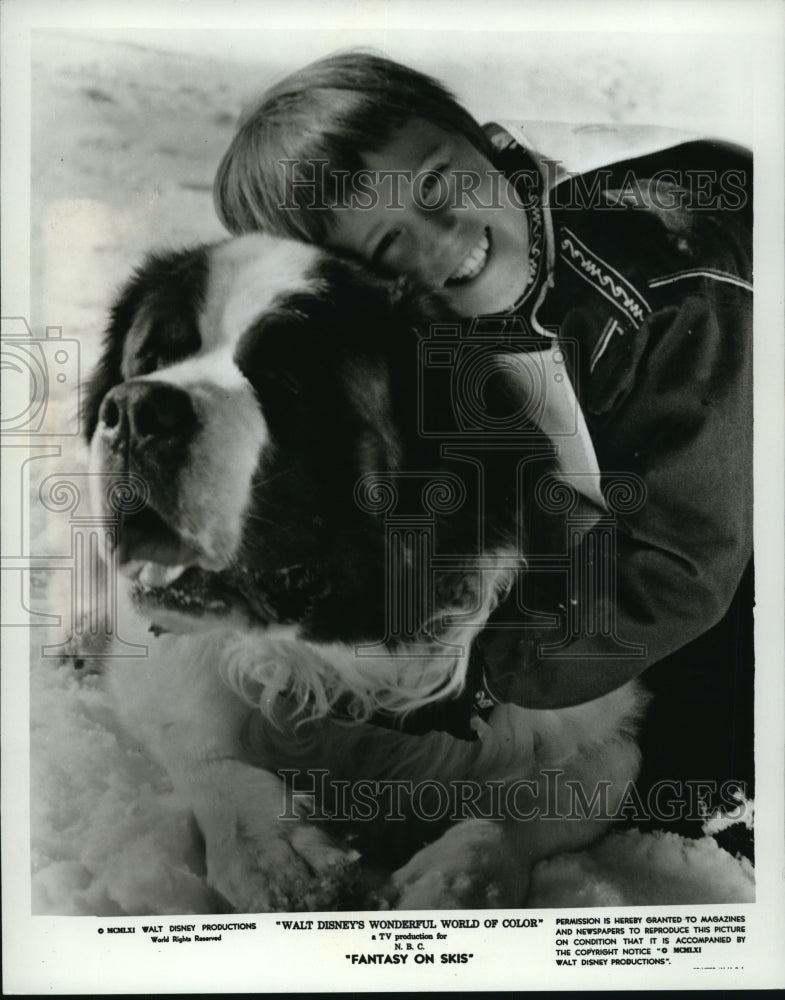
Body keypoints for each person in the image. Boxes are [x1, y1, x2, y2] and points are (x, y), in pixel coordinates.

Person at [213, 52, 754, 840]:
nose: (439, 239)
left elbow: (685, 564)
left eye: (437, 183)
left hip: (738, 403)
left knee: (688, 756)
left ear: (488, 141)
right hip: (643, 441)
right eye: (382, 246)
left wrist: (483, 672)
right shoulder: (406, 323)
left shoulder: (663, 294)